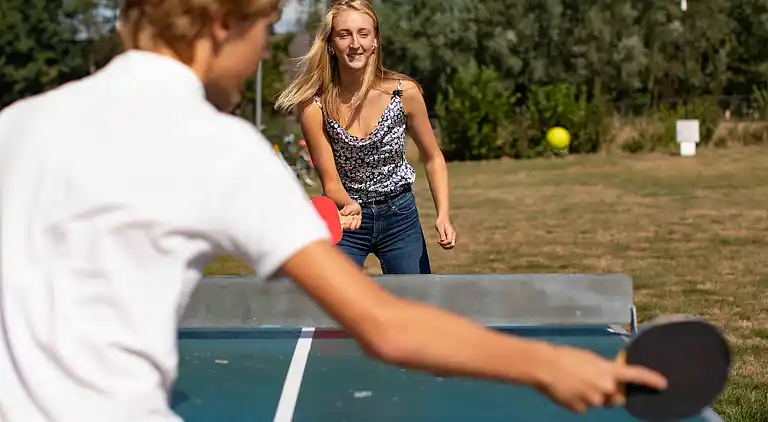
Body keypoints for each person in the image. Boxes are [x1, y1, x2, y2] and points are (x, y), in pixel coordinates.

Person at [0, 0, 667, 421]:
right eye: (263, 31)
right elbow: (385, 325)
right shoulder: (218, 146)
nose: (264, 55)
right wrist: (553, 365)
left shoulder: (17, 125)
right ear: (218, 24)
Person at [275, 0, 454, 275]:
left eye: (363, 33)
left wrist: (443, 214)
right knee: (331, 313)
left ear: (375, 41)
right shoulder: (313, 106)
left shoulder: (404, 93)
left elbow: (433, 157)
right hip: (345, 218)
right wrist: (348, 205)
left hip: (400, 217)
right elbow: (330, 181)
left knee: (413, 310)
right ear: (331, 44)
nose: (354, 43)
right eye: (344, 34)